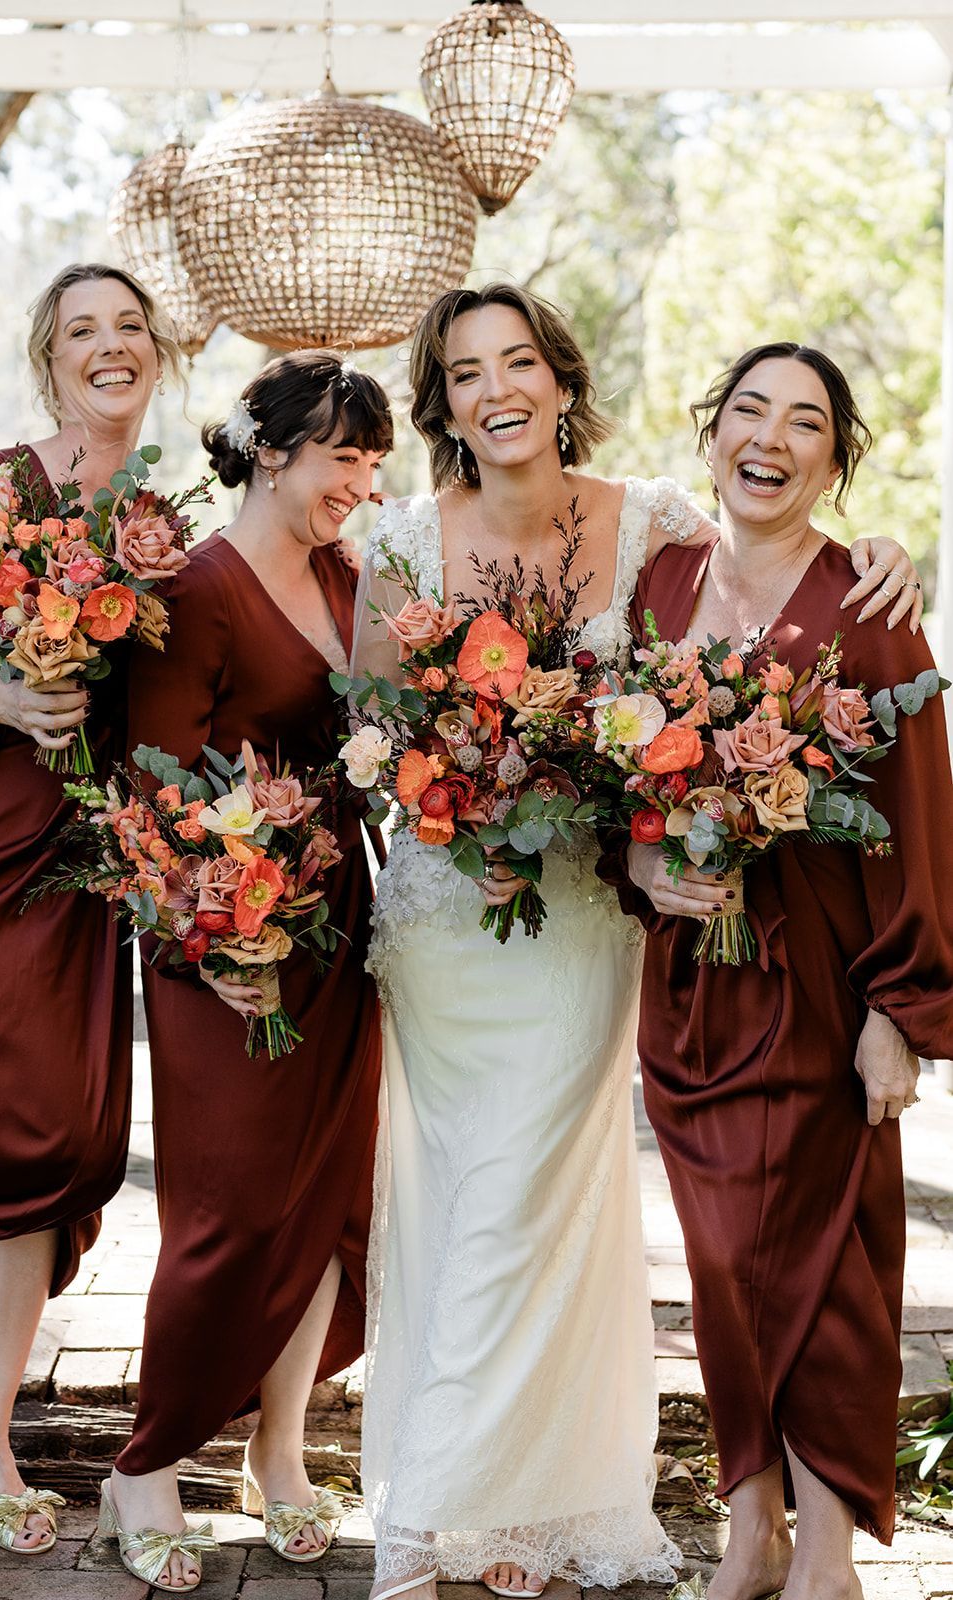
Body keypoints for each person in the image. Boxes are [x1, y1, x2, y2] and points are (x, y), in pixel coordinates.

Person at [352, 285, 924, 1600]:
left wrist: (881, 545)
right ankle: (490, 1512)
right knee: (467, 1204)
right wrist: (465, 779)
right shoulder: (403, 543)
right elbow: (375, 738)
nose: (494, 386)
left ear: (561, 380)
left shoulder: (651, 531)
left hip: (600, 932)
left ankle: (482, 1499)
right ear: (441, 399)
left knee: (540, 1205)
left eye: (518, 361)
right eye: (463, 370)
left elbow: (772, 566)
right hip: (456, 920)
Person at [613, 342, 953, 1600]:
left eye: (803, 422)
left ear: (832, 458)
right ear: (712, 432)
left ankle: (824, 1554)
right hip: (692, 989)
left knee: (822, 1266)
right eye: (747, 410)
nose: (768, 437)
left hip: (821, 984)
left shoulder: (868, 602)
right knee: (719, 1265)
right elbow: (610, 784)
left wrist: (901, 1013)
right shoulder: (657, 583)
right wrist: (644, 872)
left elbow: (918, 817)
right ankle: (746, 1528)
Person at [0, 262, 181, 1554]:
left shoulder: (158, 525)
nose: (108, 348)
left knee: (66, 1159)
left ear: (155, 353)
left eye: (128, 328)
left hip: (74, 877)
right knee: (32, 1133)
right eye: (81, 331)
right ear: (45, 357)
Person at [100, 350, 391, 1593]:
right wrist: (209, 944)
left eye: (376, 463)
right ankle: (146, 1466)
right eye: (344, 457)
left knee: (327, 1201)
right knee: (223, 1212)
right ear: (271, 450)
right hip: (220, 942)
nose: (361, 484)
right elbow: (147, 793)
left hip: (337, 934)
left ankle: (279, 1449)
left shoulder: (345, 572)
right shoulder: (200, 591)